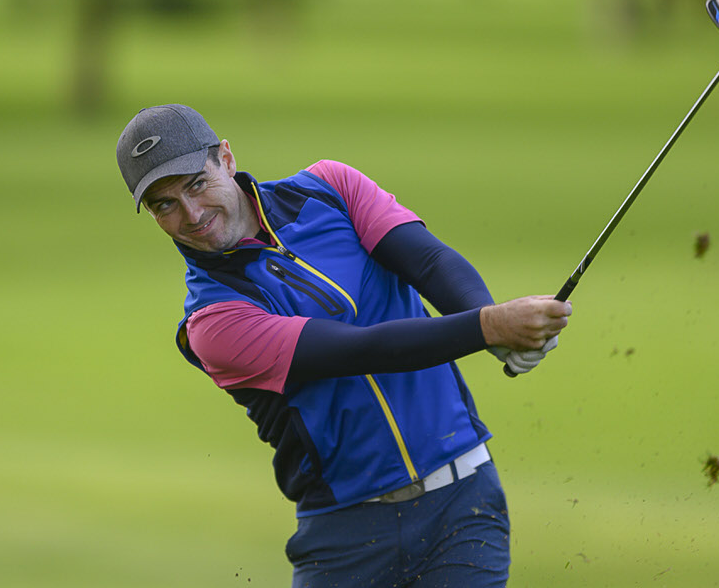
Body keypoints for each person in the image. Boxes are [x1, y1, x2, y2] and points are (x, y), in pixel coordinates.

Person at [116, 104, 572, 588]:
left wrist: (488, 323)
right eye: (164, 205)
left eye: (196, 184)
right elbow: (362, 351)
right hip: (346, 540)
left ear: (226, 159)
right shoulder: (212, 321)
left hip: (463, 505)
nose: (191, 214)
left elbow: (429, 263)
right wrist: (488, 327)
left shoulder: (330, 187)